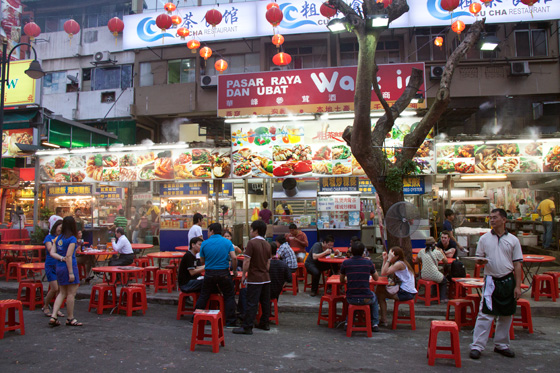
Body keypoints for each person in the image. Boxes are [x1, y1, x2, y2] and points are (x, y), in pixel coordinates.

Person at [469, 208, 523, 360]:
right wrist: (480, 262)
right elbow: (479, 259)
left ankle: (501, 345)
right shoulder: (484, 239)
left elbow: (518, 264)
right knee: (485, 313)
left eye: (495, 217)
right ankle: (477, 346)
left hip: (508, 280)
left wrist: (518, 286)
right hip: (491, 280)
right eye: (490, 218)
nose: (492, 220)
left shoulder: (513, 240)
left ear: (504, 220)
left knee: (506, 314)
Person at [193, 223, 238, 328]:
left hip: (209, 273)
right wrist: (234, 270)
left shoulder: (205, 243)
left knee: (204, 295)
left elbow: (202, 260)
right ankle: (230, 322)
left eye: (208, 231)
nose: (207, 233)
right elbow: (234, 258)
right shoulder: (227, 242)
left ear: (212, 231)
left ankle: (195, 318)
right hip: (224, 273)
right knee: (229, 296)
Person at [233, 220, 272, 335]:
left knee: (252, 302)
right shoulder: (267, 244)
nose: (250, 231)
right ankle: (265, 323)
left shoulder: (251, 243)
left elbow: (246, 261)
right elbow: (268, 263)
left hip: (255, 277)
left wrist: (244, 275)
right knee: (265, 302)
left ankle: (247, 326)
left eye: (251, 229)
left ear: (256, 231)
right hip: (266, 277)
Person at [49, 216, 82, 327]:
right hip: (70, 267)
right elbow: (69, 256)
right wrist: (71, 272)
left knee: (62, 293)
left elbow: (52, 253)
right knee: (71, 294)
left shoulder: (58, 238)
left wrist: (60, 258)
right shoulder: (72, 239)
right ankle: (70, 318)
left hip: (59, 267)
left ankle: (53, 315)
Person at [340, 241, 380, 332]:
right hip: (366, 298)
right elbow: (376, 278)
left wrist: (348, 277)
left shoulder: (346, 263)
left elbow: (341, 280)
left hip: (351, 298)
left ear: (351, 252)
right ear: (363, 252)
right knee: (374, 296)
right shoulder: (368, 262)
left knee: (352, 299)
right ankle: (374, 323)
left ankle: (348, 322)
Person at [375, 247, 417, 326]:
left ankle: (382, 319)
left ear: (397, 256)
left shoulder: (399, 264)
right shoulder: (399, 263)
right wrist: (385, 259)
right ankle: (380, 318)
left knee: (380, 294)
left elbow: (384, 273)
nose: (390, 256)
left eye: (391, 255)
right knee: (380, 290)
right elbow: (384, 272)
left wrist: (388, 260)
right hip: (406, 291)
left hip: (406, 293)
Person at [41, 220, 64, 318]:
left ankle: (56, 309)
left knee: (60, 289)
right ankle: (46, 306)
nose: (60, 229)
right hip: (50, 265)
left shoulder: (62, 238)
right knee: (55, 288)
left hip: (59, 265)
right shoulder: (49, 238)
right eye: (60, 227)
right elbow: (50, 250)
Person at [417, 237, 448, 302]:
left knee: (436, 278)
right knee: (444, 280)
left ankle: (434, 294)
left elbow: (417, 260)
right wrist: (442, 252)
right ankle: (443, 298)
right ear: (434, 244)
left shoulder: (422, 251)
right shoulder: (437, 252)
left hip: (424, 275)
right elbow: (446, 261)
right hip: (434, 274)